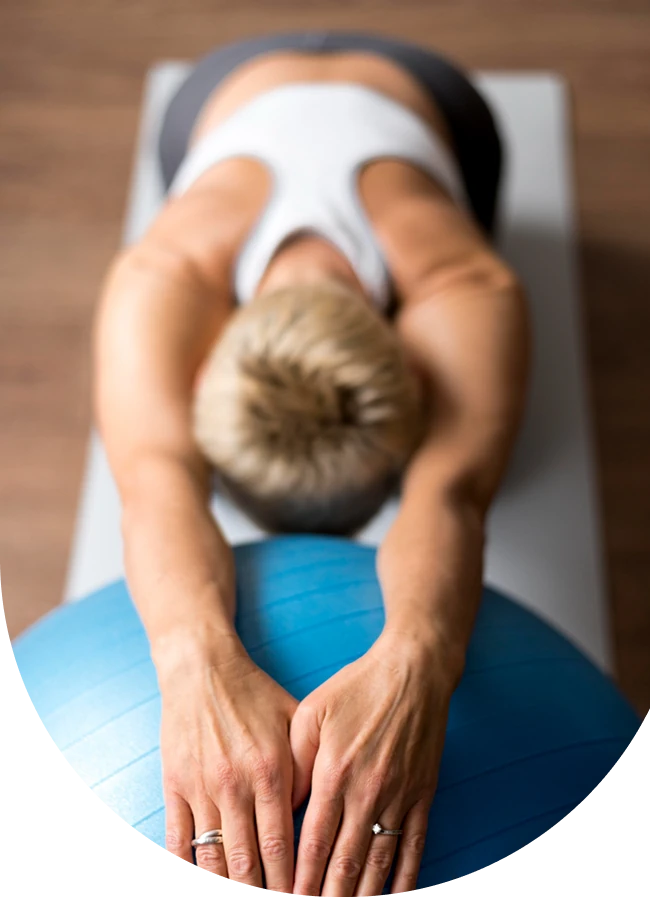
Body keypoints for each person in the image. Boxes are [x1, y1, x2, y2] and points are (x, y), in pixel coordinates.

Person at [93, 29, 531, 895]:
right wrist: (193, 667)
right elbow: (154, 487)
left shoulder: (469, 283)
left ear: (418, 368)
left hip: (431, 93)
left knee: (495, 443)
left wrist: (416, 664)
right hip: (223, 93)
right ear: (202, 366)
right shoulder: (158, 273)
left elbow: (450, 492)